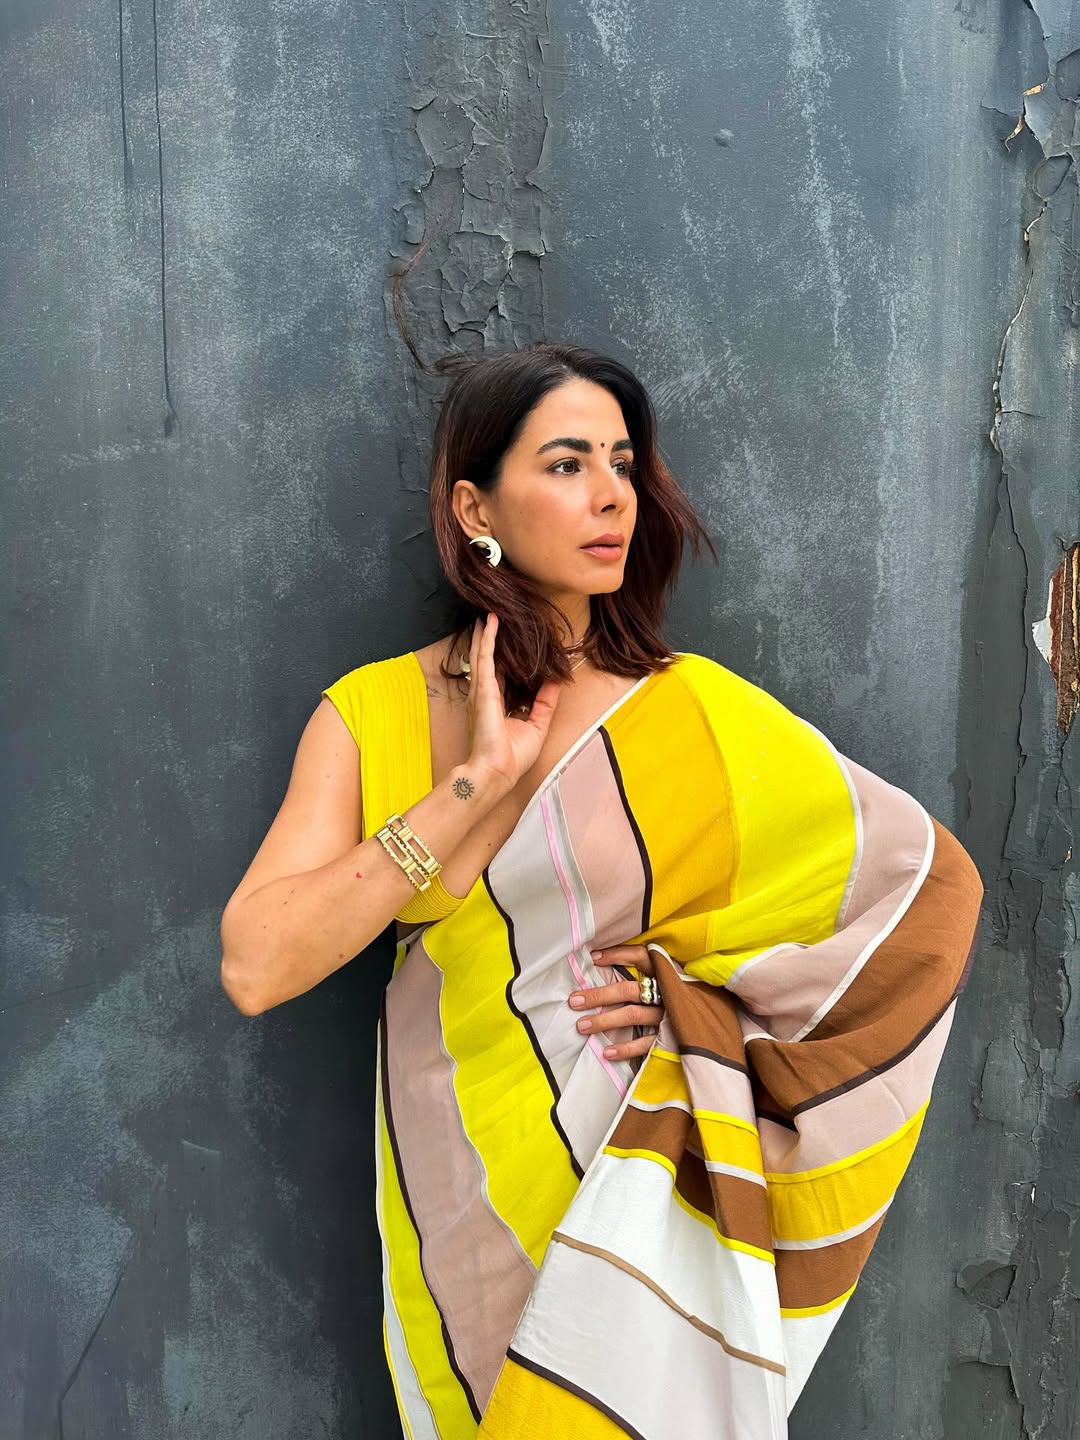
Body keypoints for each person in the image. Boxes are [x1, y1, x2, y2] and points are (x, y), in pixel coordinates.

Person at [219, 342, 984, 1439]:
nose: (613, 494)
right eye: (567, 463)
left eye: (621, 463)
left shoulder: (695, 713)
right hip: (463, 1187)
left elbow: (922, 893)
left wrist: (694, 1009)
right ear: (475, 507)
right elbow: (256, 965)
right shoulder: (376, 713)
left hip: (635, 1197)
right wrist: (475, 784)